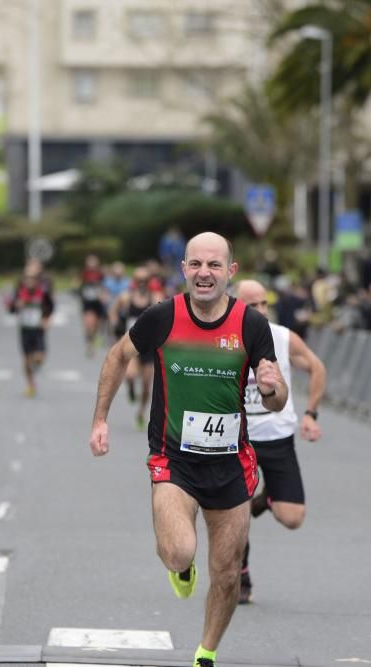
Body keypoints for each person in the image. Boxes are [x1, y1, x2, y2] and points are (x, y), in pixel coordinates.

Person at [88, 232, 287, 667]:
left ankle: (206, 652)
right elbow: (119, 356)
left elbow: (276, 398)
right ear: (184, 269)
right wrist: (101, 418)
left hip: (231, 464)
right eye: (196, 264)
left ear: (230, 272)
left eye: (214, 265)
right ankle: (181, 568)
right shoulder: (163, 317)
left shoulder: (251, 325)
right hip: (173, 458)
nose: (204, 273)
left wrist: (273, 389)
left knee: (228, 572)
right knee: (179, 551)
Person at [235, 279, 326, 604]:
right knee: (237, 518)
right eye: (252, 305)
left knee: (293, 518)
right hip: (236, 441)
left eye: (263, 304)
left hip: (277, 437)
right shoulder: (223, 339)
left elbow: (317, 368)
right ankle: (241, 572)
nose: (260, 311)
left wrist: (311, 413)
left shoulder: (283, 337)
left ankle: (267, 499)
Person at [109, 266, 165, 427]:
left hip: (149, 346)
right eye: (138, 281)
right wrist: (115, 323)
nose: (141, 284)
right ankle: (131, 388)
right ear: (134, 282)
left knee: (147, 385)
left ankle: (141, 412)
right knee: (131, 375)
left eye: (144, 281)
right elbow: (113, 311)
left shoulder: (156, 297)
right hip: (132, 343)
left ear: (149, 282)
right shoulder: (126, 297)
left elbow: (164, 317)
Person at [9, 263, 55, 397]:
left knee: (40, 357)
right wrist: (16, 306)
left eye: (32, 278)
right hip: (25, 329)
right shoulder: (19, 292)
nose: (29, 281)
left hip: (38, 329)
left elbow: (50, 308)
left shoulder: (43, 292)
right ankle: (30, 384)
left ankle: (36, 365)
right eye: (27, 278)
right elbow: (11, 309)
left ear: (37, 280)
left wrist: (46, 320)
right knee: (26, 359)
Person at [79, 254, 106, 357]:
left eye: (93, 262)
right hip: (87, 302)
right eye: (90, 262)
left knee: (96, 325)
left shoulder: (100, 273)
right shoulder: (84, 273)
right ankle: (89, 343)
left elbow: (104, 286)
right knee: (89, 323)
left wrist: (103, 294)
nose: (91, 264)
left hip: (98, 303)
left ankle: (93, 339)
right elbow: (78, 284)